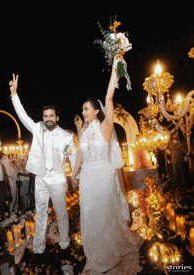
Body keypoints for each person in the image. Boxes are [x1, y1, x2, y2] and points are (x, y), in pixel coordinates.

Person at [71, 55, 143, 275]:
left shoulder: (106, 127)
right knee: (89, 216)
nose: (83, 112)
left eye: (85, 109)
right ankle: (95, 254)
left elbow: (109, 98)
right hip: (87, 179)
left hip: (103, 175)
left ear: (95, 110)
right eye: (82, 109)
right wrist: (74, 175)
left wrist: (115, 67)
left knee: (104, 214)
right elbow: (80, 156)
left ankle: (109, 251)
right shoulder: (83, 132)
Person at [9, 74, 77, 254]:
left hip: (57, 179)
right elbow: (22, 115)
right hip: (40, 178)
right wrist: (14, 95)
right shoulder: (37, 128)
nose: (47, 118)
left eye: (51, 116)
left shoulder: (67, 136)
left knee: (61, 213)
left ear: (57, 117)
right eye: (45, 116)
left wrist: (76, 177)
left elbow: (75, 158)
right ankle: (38, 247)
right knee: (40, 213)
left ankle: (64, 242)